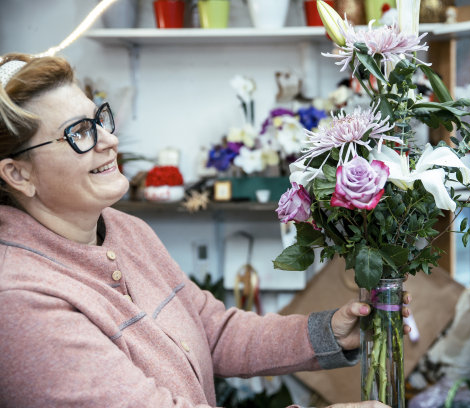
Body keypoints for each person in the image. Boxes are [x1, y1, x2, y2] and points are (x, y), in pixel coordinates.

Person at [0, 53, 410, 408]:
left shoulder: (126, 231)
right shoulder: (19, 302)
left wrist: (328, 332)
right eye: (79, 133)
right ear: (18, 174)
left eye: (99, 119)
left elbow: (212, 331)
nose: (109, 139)